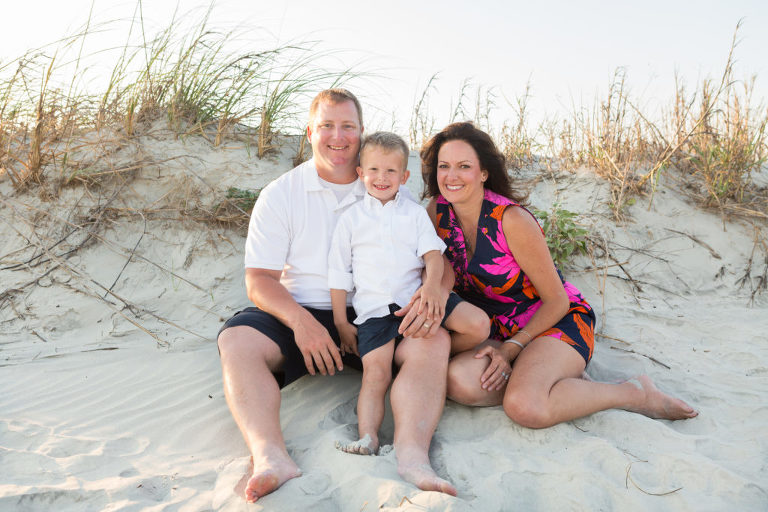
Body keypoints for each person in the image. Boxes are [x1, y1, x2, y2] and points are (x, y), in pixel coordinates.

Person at [216, 90, 458, 503]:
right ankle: (271, 457)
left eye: (348, 126)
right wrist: (303, 324)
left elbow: (434, 257)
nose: (338, 136)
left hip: (378, 310)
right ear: (310, 132)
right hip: (303, 309)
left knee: (433, 340)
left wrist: (433, 290)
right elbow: (258, 280)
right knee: (237, 341)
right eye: (327, 125)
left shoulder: (387, 184)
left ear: (361, 132)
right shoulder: (281, 193)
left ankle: (412, 456)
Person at [403, 121, 698, 428]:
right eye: (444, 166)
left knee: (525, 407)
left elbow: (557, 300)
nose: (451, 176)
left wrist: (512, 348)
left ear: (484, 173)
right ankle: (546, 377)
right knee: (459, 381)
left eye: (464, 166)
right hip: (495, 329)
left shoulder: (511, 220)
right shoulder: (437, 211)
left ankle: (633, 393)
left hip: (552, 321)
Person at [328, 132, 490, 457]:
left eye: (390, 171)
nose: (382, 178)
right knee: (376, 375)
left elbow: (433, 256)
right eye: (374, 170)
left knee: (478, 324)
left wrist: (431, 288)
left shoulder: (414, 214)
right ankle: (368, 437)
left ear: (404, 177)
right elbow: (338, 274)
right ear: (360, 173)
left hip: (418, 301)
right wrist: (341, 322)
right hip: (374, 312)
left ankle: (435, 355)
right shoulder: (350, 219)